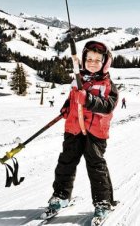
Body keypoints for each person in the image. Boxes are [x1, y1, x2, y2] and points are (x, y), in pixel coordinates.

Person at [45, 40, 119, 219]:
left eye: (97, 60)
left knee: (95, 165)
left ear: (105, 63)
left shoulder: (108, 85)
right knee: (66, 162)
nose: (92, 63)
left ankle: (103, 202)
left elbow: (108, 105)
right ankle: (61, 196)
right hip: (73, 129)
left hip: (95, 132)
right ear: (83, 60)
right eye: (89, 59)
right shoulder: (77, 80)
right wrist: (66, 108)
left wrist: (88, 100)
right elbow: (73, 98)